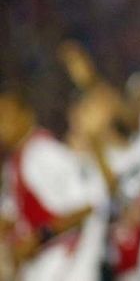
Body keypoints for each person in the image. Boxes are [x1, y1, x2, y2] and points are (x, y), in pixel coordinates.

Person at [0, 84, 99, 281]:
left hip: (69, 267)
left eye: (5, 117)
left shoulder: (43, 152)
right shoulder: (16, 159)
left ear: (25, 116)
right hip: (43, 268)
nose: (1, 126)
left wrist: (39, 237)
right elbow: (13, 214)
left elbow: (86, 207)